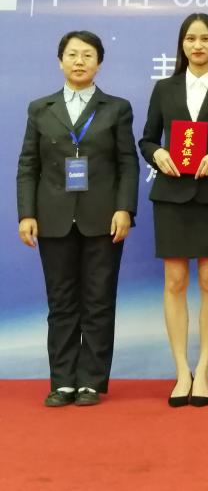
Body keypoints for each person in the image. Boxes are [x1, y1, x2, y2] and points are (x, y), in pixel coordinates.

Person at [17, 31, 139, 407]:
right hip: (53, 218)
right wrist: (27, 214)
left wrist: (124, 209)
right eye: (72, 54)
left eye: (88, 55)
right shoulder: (41, 108)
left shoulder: (116, 108)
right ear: (60, 62)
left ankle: (90, 381)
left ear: (99, 63)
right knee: (61, 302)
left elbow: (127, 163)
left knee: (99, 300)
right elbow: (28, 165)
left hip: (103, 218)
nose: (79, 61)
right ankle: (63, 381)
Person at [139, 13, 208, 408]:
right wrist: (157, 154)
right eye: (190, 39)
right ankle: (181, 370)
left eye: (205, 38)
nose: (197, 45)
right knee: (174, 281)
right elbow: (147, 139)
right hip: (172, 195)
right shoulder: (164, 88)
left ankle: (203, 370)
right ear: (181, 44)